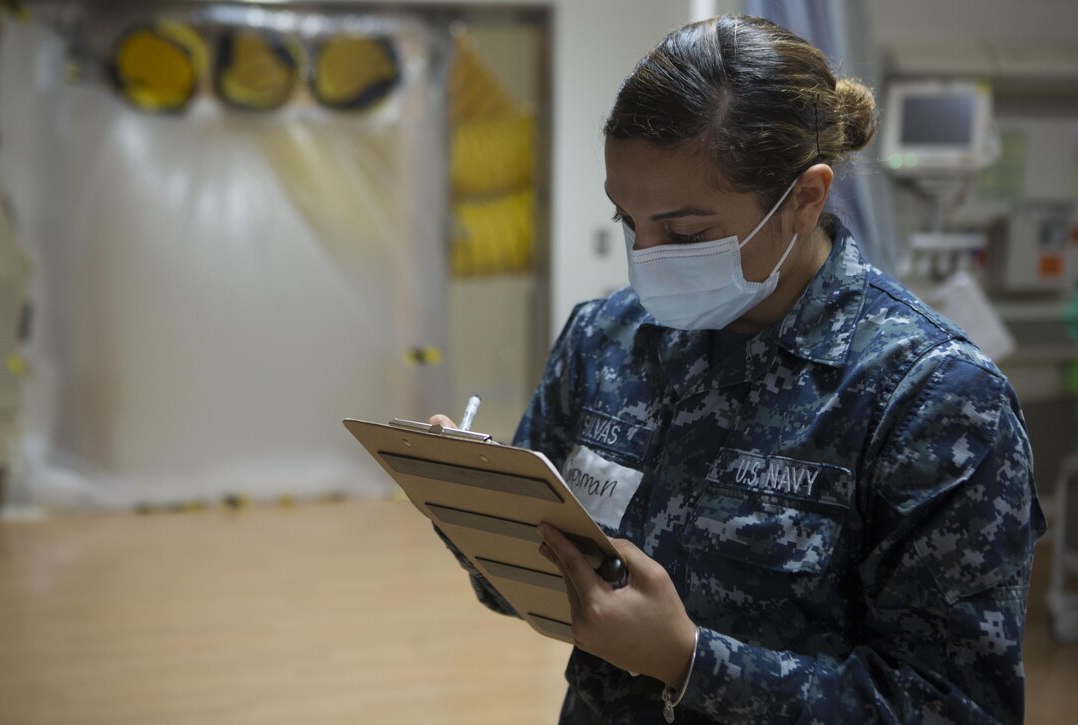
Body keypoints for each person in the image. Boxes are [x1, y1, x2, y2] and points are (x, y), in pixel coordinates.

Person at [434, 15, 1045, 724]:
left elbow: (957, 709)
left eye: (685, 232)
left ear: (805, 199)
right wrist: (475, 511)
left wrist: (689, 660)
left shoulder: (932, 401)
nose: (647, 256)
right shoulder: (605, 339)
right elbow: (527, 584)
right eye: (628, 222)